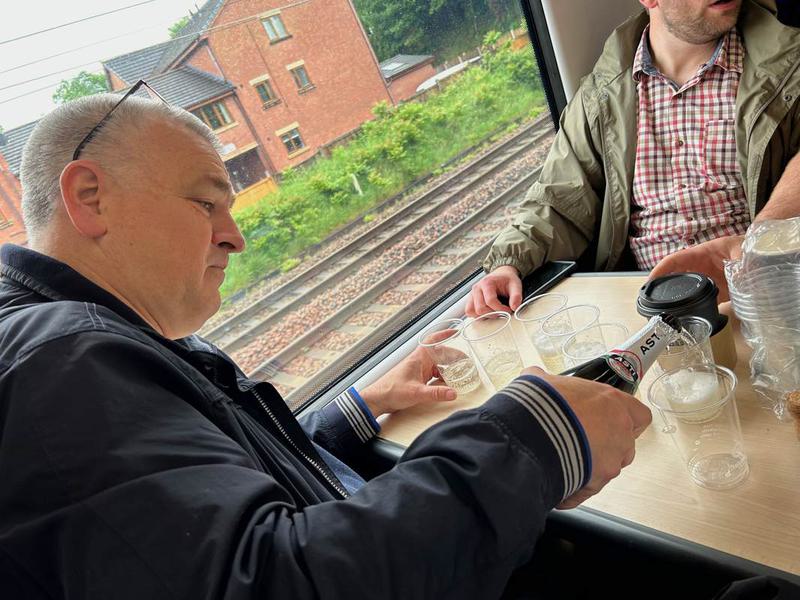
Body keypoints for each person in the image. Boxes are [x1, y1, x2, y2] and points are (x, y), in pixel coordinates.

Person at [0, 93, 652, 599]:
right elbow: (279, 583)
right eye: (205, 204)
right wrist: (536, 436)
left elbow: (223, 503)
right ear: (90, 198)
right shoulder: (58, 367)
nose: (235, 237)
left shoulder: (90, 347)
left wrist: (357, 408)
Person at [467, 0, 800, 317]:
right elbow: (560, 200)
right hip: (643, 308)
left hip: (762, 294)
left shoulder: (786, 69)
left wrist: (760, 242)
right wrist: (509, 264)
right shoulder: (601, 97)